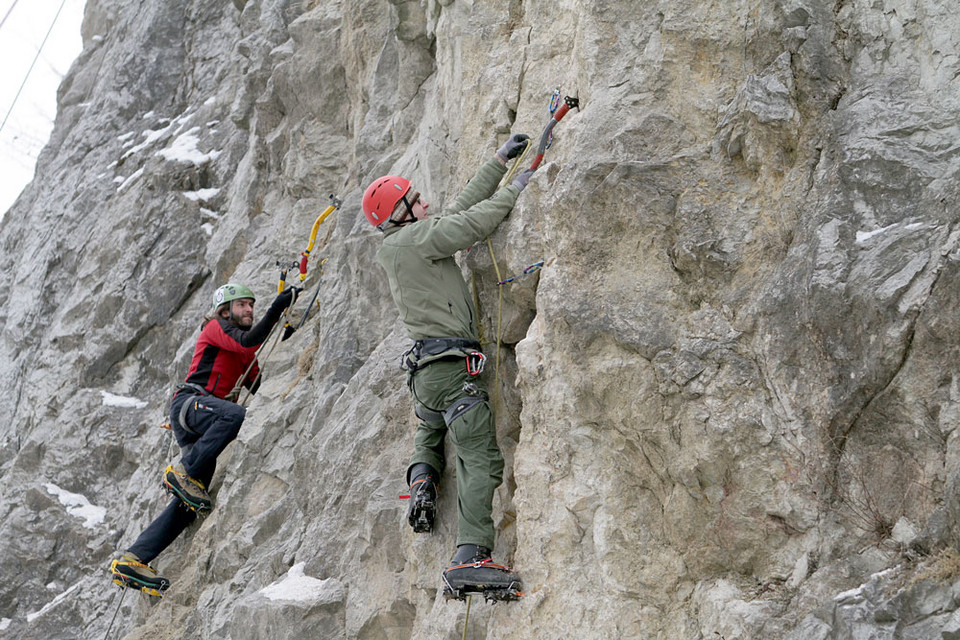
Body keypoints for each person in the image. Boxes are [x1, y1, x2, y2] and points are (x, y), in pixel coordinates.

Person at [362, 134, 534, 599]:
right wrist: (518, 187)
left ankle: (423, 480)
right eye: (415, 200)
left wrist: (497, 162)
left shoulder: (403, 243)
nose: (425, 202)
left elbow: (453, 212)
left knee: (432, 428)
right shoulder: (415, 239)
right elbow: (469, 225)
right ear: (399, 213)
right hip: (452, 369)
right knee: (479, 453)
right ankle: (471, 556)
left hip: (428, 374)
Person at [109, 283, 296, 595]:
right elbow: (250, 338)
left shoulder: (243, 352)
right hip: (191, 405)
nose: (249, 309)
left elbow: (260, 383)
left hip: (203, 417)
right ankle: (183, 471)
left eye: (252, 305)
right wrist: (277, 307)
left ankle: (134, 558)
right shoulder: (214, 327)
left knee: (189, 501)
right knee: (235, 415)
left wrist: (289, 337)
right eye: (242, 305)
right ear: (225, 311)